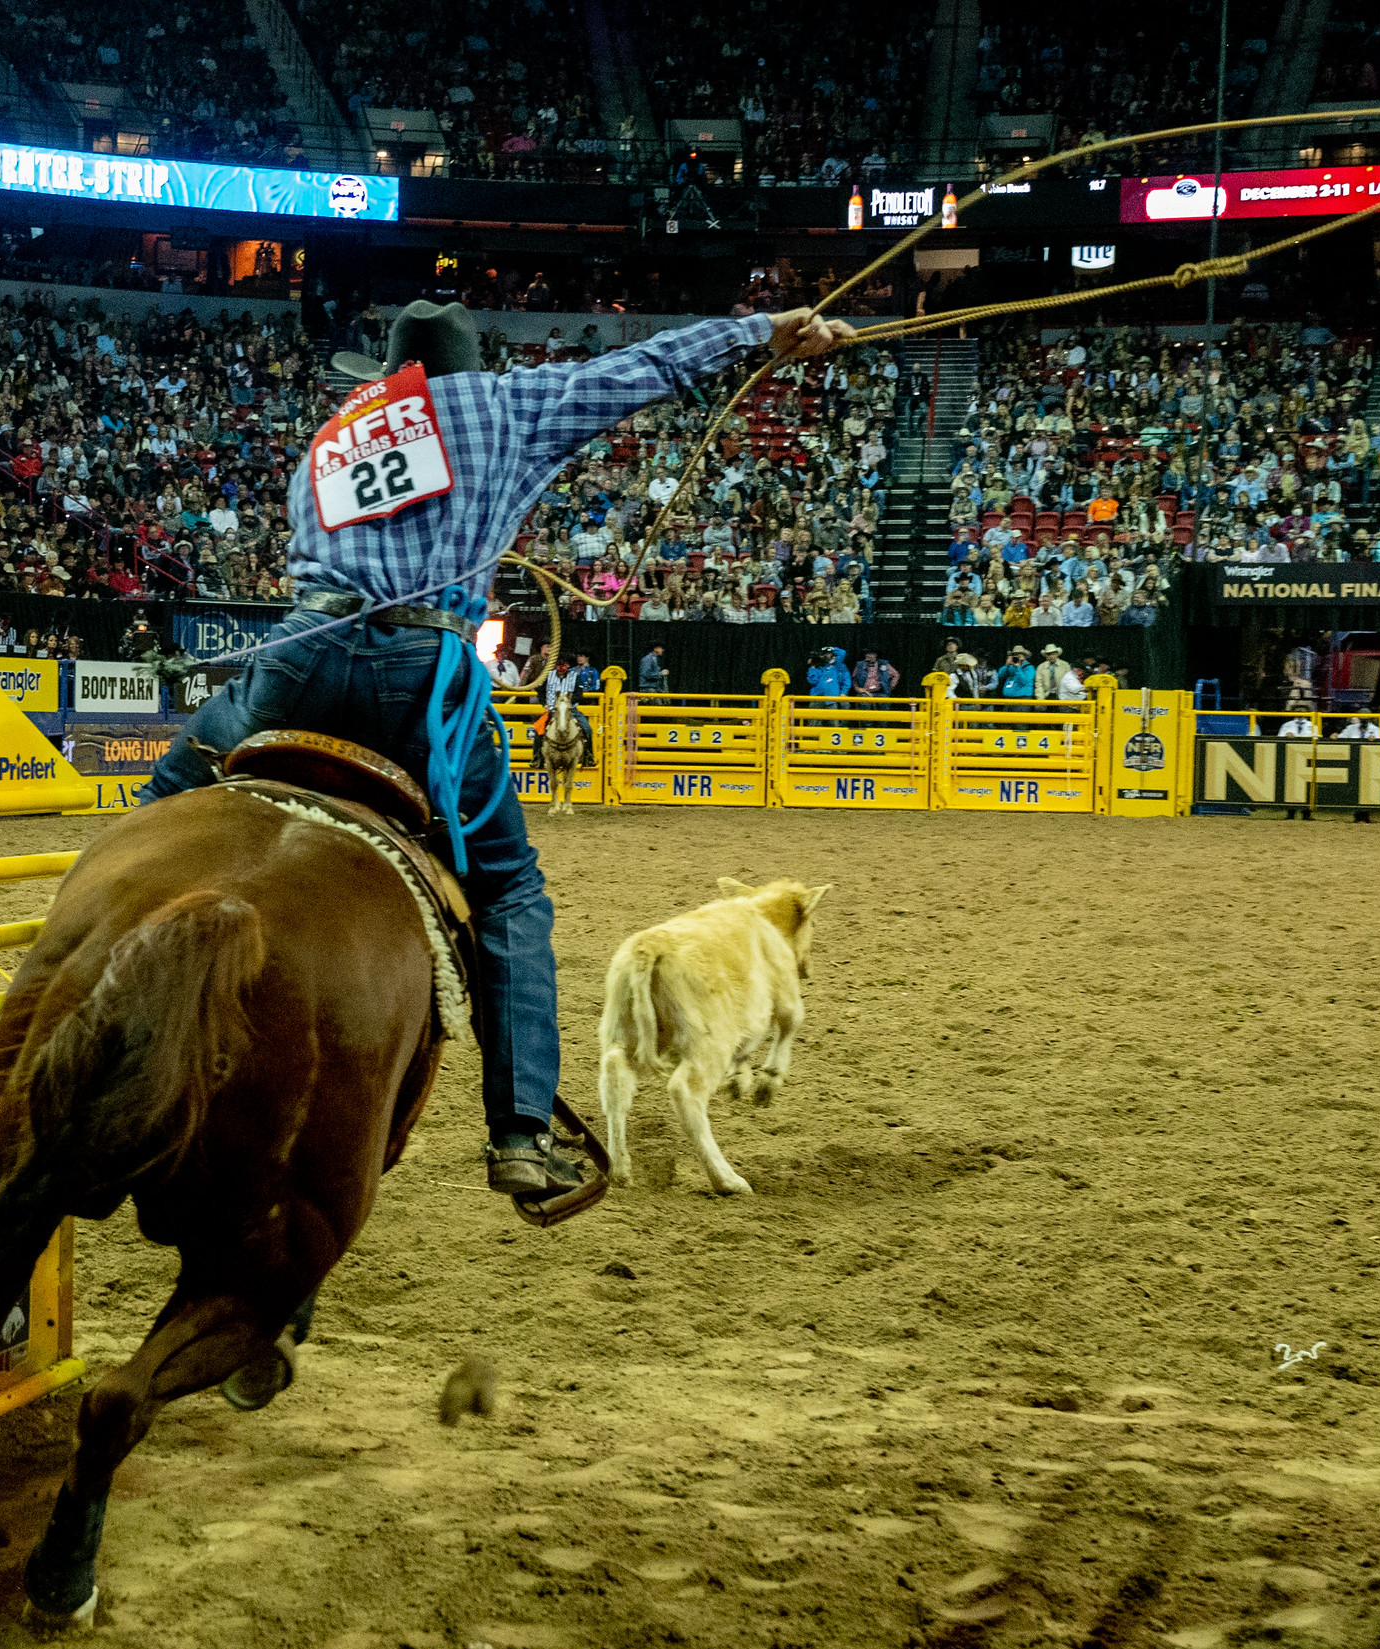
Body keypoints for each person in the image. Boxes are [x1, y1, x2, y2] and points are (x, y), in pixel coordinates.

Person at [140, 301, 856, 1198]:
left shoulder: (340, 431)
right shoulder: (503, 405)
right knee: (510, 888)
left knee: (164, 798)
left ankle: (94, 961)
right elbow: (645, 369)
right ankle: (519, 1131)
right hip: (419, 673)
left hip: (299, 657)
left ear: (391, 371)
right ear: (467, 362)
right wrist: (759, 331)